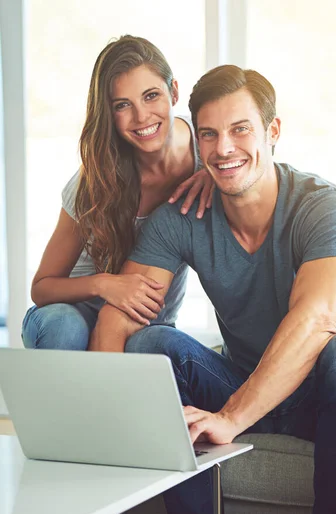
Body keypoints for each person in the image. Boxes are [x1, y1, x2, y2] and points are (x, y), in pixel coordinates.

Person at [89, 65, 336, 514]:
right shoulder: (182, 214)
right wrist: (98, 432)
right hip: (247, 381)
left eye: (241, 129)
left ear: (273, 132)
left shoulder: (329, 206)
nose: (224, 148)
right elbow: (118, 323)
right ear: (195, 138)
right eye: (209, 133)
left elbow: (315, 320)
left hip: (331, 399)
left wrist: (231, 418)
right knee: (154, 344)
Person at [22, 35, 213, 350]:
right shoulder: (95, 179)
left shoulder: (208, 146)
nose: (141, 117)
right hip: (73, 311)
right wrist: (104, 285)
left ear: (174, 92)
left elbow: (257, 144)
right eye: (123, 105)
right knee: (65, 328)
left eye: (151, 96)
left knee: (158, 342)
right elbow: (42, 288)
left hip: (146, 319)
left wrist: (214, 173)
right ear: (109, 114)